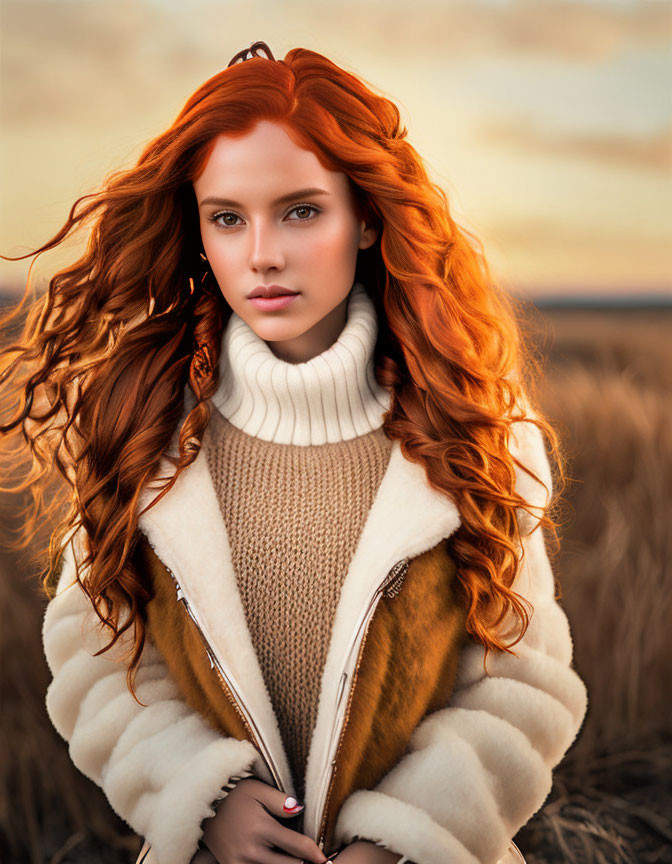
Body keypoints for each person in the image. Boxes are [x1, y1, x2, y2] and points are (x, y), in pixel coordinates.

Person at [0, 42, 588, 864]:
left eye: (302, 211)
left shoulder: (480, 427)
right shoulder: (143, 427)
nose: (263, 254)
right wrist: (199, 795)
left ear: (369, 217)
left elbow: (523, 681)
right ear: (197, 231)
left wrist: (404, 839)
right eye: (228, 217)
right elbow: (93, 659)